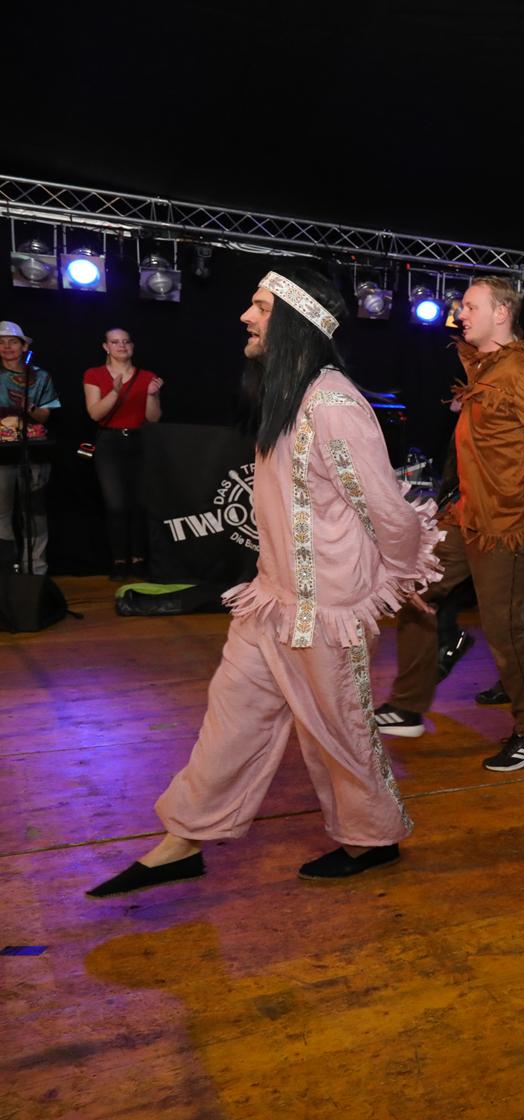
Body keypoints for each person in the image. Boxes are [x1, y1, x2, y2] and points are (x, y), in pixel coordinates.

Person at [86, 266, 442, 897]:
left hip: (325, 610)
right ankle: (184, 840)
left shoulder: (334, 406)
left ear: (297, 321)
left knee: (338, 731)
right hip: (272, 599)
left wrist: (403, 576)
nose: (246, 317)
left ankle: (371, 838)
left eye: (260, 307)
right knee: (233, 717)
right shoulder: (286, 396)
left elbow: (384, 508)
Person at [374, 277, 524, 771]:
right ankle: (407, 705)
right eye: (460, 306)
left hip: (504, 526)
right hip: (466, 518)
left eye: (470, 306)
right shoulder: (484, 368)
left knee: (504, 629)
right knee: (414, 590)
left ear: (502, 314)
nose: (460, 314)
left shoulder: (522, 375)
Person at [83, 327, 164, 579]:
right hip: (109, 443)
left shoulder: (147, 376)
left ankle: (138, 559)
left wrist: (152, 395)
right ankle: (119, 561)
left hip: (140, 441)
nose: (121, 346)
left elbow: (153, 418)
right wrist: (115, 391)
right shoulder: (94, 374)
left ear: (132, 346)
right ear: (106, 347)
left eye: (126, 341)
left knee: (140, 503)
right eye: (115, 342)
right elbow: (95, 413)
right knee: (116, 505)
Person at [0, 320, 60, 574]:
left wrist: (30, 408)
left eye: (12, 342)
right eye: (1, 343)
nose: (7, 347)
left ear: (24, 346)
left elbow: (46, 415)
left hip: (33, 450)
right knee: (2, 512)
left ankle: (36, 569)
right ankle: (6, 568)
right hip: (1, 452)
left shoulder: (39, 376)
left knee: (34, 512)